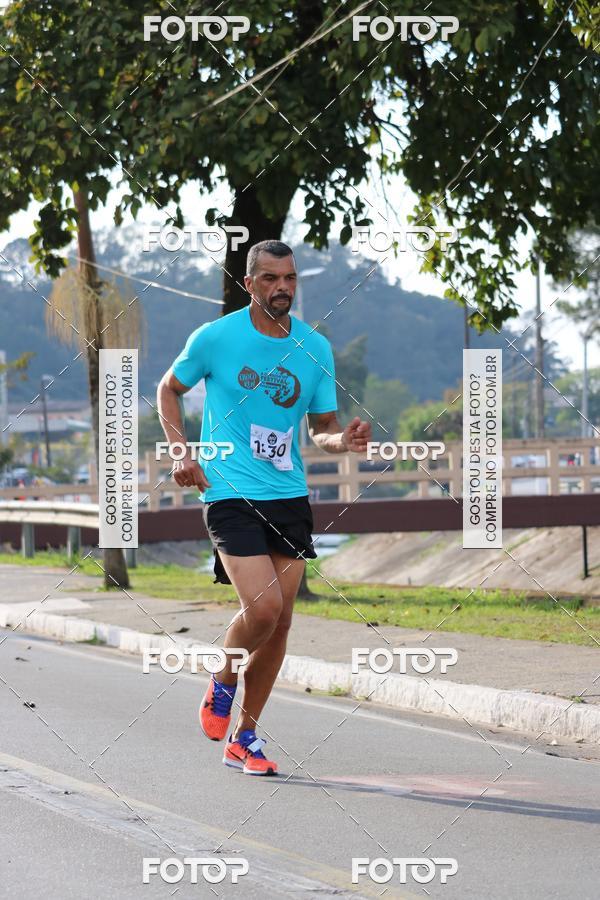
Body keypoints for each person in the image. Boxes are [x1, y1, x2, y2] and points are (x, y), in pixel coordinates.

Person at [157, 239, 371, 776]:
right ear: (249, 283)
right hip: (229, 491)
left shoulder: (314, 348)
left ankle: (244, 739)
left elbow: (321, 429)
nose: (283, 288)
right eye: (271, 278)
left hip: (288, 496)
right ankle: (223, 677)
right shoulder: (216, 337)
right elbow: (168, 389)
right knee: (264, 609)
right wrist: (182, 452)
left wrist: (343, 441)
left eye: (290, 278)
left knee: (280, 625)